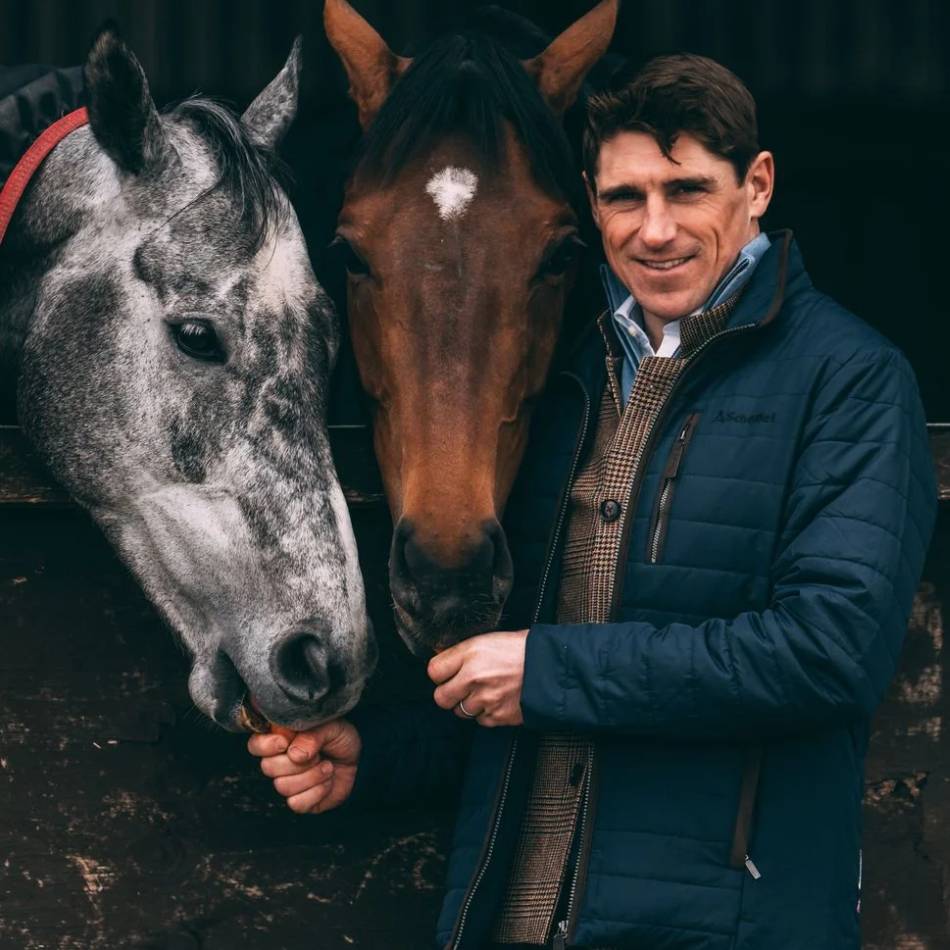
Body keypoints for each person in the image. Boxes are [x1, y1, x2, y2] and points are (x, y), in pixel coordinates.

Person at [248, 53, 937, 950]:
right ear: (589, 201)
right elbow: (522, 691)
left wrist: (547, 674)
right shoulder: (571, 384)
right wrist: (373, 758)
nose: (655, 230)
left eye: (687, 190)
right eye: (623, 198)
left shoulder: (851, 381)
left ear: (758, 185)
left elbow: (829, 655)